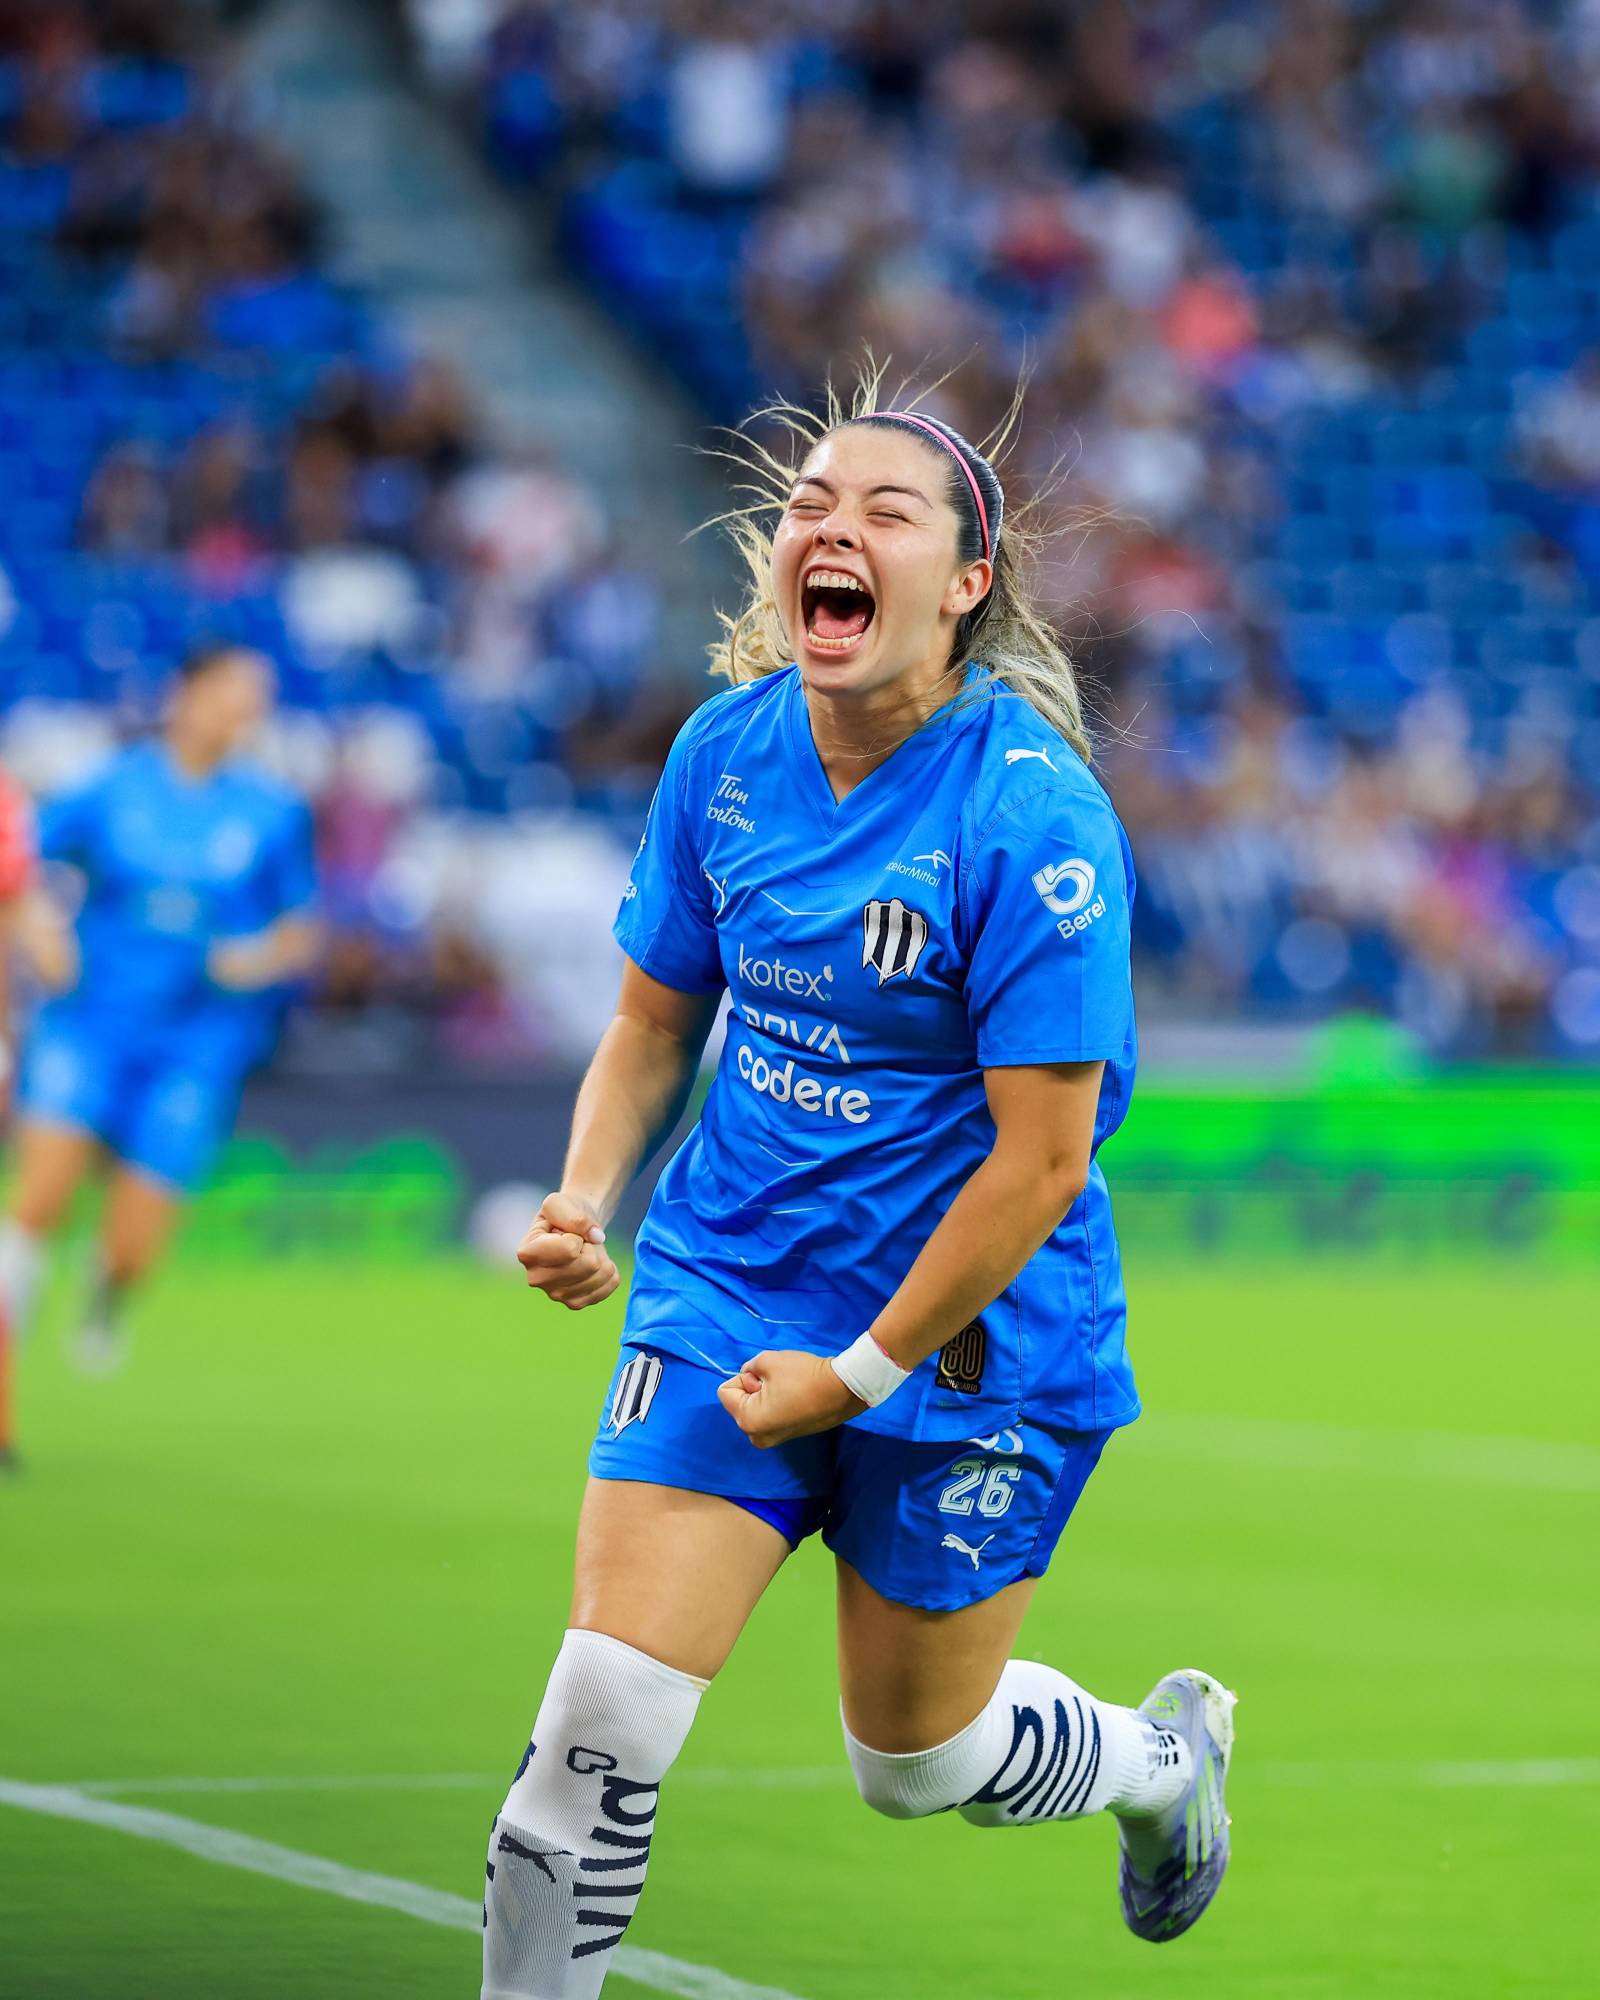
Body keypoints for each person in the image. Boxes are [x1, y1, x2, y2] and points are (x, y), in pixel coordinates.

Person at [481, 378, 1236, 2000]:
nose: (833, 526)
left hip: (976, 1340)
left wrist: (863, 1371)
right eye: (812, 503)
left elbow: (1041, 1160)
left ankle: (1163, 1766)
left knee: (919, 1761)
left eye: (887, 512)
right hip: (733, 1282)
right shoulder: (726, 755)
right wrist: (585, 1192)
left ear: (968, 584)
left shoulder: (1034, 814)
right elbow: (651, 1015)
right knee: (598, 1721)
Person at [0, 644, 320, 1384]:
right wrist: (43, 930)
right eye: (234, 690)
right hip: (89, 1021)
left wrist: (258, 957)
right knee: (40, 1194)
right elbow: (20, 861)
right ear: (187, 693)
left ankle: (106, 1292)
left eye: (257, 696)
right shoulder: (115, 785)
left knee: (135, 1245)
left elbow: (301, 930)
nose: (245, 709)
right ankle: (7, 1355)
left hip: (197, 1040)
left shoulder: (272, 810)